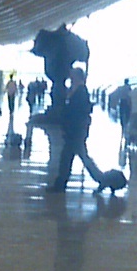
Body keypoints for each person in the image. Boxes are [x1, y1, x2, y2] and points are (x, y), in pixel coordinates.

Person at [44, 65, 99, 193]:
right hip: (74, 131)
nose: (70, 76)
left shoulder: (81, 92)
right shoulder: (76, 90)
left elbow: (79, 111)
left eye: (72, 75)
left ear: (78, 77)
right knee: (76, 157)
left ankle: (60, 184)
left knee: (69, 157)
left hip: (76, 131)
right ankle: (102, 179)